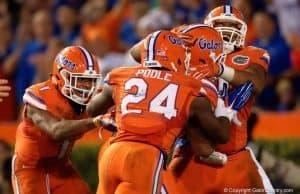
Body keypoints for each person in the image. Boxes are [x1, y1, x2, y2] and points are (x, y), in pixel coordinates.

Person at [163, 5, 274, 194]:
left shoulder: (251, 54)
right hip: (189, 154)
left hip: (234, 156)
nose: (226, 30)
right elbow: (143, 52)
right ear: (206, 29)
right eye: (220, 25)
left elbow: (256, 83)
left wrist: (219, 69)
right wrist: (172, 38)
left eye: (232, 25)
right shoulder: (186, 54)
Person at [11, 46, 110, 194]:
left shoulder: (90, 99)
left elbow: (112, 94)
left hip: (61, 167)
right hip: (31, 168)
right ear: (62, 76)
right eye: (81, 79)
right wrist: (97, 121)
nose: (87, 86)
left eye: (91, 81)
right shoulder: (39, 94)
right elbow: (56, 130)